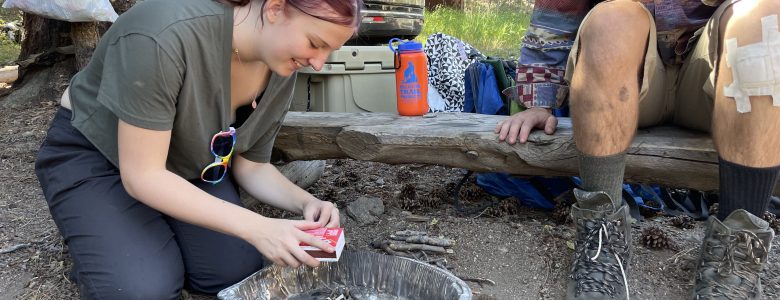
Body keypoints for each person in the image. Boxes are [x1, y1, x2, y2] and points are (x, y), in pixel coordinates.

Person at [33, 0, 361, 298]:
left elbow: (252, 166)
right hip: (100, 158)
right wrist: (259, 227)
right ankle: (105, 244)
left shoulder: (280, 61)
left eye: (328, 52)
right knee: (140, 288)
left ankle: (134, 236)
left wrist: (307, 202)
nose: (318, 63)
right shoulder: (163, 34)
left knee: (233, 272)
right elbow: (143, 176)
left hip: (188, 163)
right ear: (275, 8)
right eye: (316, 44)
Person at [496, 0, 779, 299]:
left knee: (765, 16)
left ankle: (737, 253)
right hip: (631, 78)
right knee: (611, 20)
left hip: (715, 77)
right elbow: (559, 9)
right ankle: (602, 237)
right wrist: (539, 100)